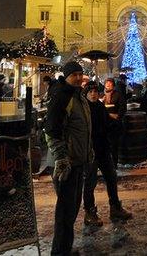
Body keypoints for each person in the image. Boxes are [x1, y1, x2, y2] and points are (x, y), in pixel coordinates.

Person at [45, 61, 93, 256]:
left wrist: (88, 151)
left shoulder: (78, 96)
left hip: (78, 160)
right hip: (67, 163)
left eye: (81, 74)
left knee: (72, 209)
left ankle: (65, 248)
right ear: (66, 76)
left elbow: (83, 128)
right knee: (65, 212)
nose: (79, 77)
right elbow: (51, 131)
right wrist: (61, 159)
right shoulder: (62, 97)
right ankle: (60, 252)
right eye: (74, 74)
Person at [82, 81, 132, 227]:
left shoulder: (99, 106)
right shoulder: (84, 109)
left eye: (95, 91)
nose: (93, 94)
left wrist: (117, 126)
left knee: (111, 177)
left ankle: (115, 207)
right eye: (90, 91)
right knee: (90, 182)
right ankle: (89, 212)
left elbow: (107, 124)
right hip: (91, 151)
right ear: (86, 94)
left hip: (103, 149)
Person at [103, 78, 125, 165]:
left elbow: (122, 108)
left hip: (114, 123)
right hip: (104, 123)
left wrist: (117, 116)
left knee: (114, 145)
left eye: (110, 83)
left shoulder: (118, 95)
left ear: (113, 85)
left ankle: (114, 164)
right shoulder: (101, 95)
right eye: (106, 83)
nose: (108, 85)